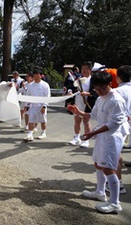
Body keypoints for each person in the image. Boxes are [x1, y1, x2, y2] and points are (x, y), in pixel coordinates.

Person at [67, 71, 129, 214]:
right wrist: (78, 112)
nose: (99, 91)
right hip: (102, 136)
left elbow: (114, 123)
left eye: (102, 88)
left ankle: (115, 203)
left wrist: (92, 133)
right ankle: (100, 192)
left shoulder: (116, 100)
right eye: (96, 89)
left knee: (108, 168)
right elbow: (92, 115)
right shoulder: (101, 98)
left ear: (109, 84)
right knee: (98, 164)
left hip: (111, 138)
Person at [106, 65, 131, 194]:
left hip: (118, 125)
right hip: (127, 126)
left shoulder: (118, 91)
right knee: (116, 153)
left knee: (115, 155)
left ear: (118, 77)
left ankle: (118, 184)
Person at [69, 61, 98, 148]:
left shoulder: (93, 79)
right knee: (77, 119)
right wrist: (70, 91)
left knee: (86, 120)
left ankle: (86, 139)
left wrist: (88, 93)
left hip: (88, 102)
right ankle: (76, 137)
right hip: (78, 101)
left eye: (85, 69)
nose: (83, 71)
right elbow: (72, 87)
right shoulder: (78, 78)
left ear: (90, 70)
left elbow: (96, 91)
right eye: (82, 69)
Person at [24, 69, 50, 141]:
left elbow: (47, 96)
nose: (36, 76)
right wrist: (26, 105)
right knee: (31, 120)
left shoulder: (45, 85)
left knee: (42, 120)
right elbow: (28, 95)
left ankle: (43, 132)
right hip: (33, 106)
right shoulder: (30, 85)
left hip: (41, 105)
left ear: (41, 76)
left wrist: (44, 106)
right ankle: (30, 134)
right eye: (34, 75)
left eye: (37, 75)